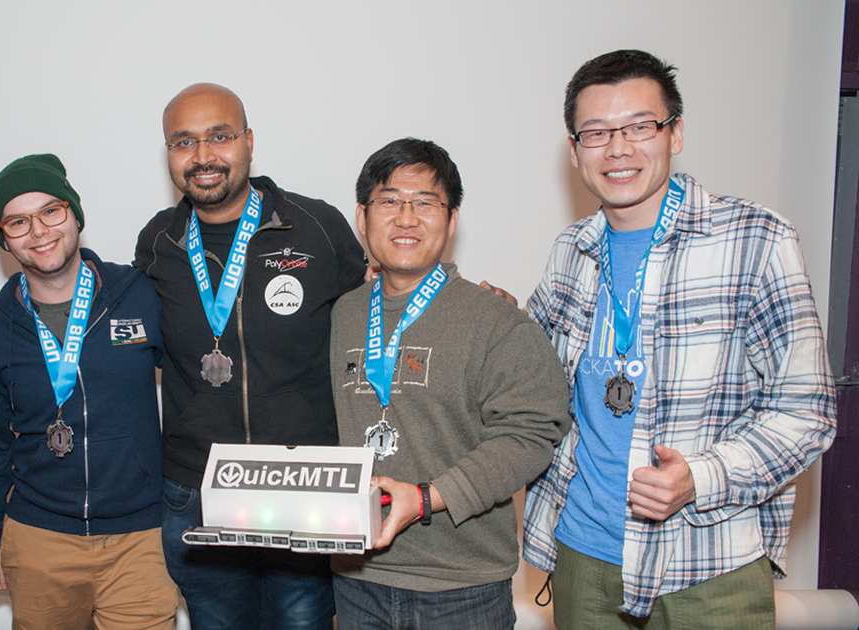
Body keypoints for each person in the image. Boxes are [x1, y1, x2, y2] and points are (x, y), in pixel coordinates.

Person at [521, 49, 837, 628]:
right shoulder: (572, 250)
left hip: (708, 562)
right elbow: (526, 369)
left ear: (676, 133)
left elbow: (806, 412)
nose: (618, 148)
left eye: (640, 126)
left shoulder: (756, 239)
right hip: (582, 555)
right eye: (596, 132)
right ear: (574, 150)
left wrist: (702, 477)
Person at [133, 83, 368, 629]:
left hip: (305, 483)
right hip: (196, 484)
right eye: (184, 142)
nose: (203, 156)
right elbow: (118, 316)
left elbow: (378, 308)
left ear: (249, 142)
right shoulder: (159, 242)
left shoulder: (316, 226)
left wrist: (462, 297)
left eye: (220, 136)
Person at [328, 138, 571, 629]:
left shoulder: (495, 321)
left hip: (461, 587)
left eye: (425, 203)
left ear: (452, 220)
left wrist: (426, 497)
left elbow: (532, 434)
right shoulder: (342, 314)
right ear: (362, 217)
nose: (406, 218)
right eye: (389, 201)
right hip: (357, 579)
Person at [0, 154, 177, 630]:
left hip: (140, 537)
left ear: (75, 214)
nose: (38, 231)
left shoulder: (139, 295)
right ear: (3, 239)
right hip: (38, 537)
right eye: (18, 222)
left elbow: (194, 385)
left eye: (51, 211)